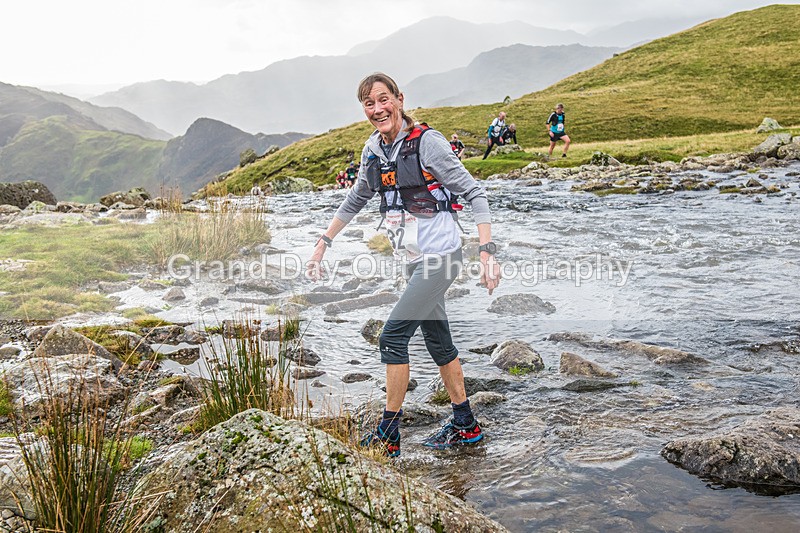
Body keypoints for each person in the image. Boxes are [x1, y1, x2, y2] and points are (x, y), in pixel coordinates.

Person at [306, 72, 500, 457]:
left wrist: (486, 251)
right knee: (438, 341)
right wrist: (322, 243)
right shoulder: (372, 151)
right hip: (412, 261)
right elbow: (356, 199)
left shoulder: (428, 144)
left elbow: (475, 193)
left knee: (392, 336)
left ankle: (388, 435)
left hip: (443, 259)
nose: (377, 109)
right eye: (368, 103)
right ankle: (466, 425)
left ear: (399, 99)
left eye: (383, 99)